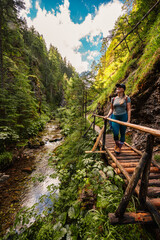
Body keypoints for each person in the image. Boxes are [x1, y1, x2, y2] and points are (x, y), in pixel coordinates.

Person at [105, 83, 131, 154]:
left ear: (123, 89)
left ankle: (119, 147)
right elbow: (111, 109)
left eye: (119, 87)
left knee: (122, 133)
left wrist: (128, 120)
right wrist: (107, 115)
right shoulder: (113, 99)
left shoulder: (127, 98)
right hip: (115, 117)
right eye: (117, 87)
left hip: (123, 117)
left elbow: (129, 109)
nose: (117, 88)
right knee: (115, 133)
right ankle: (117, 144)